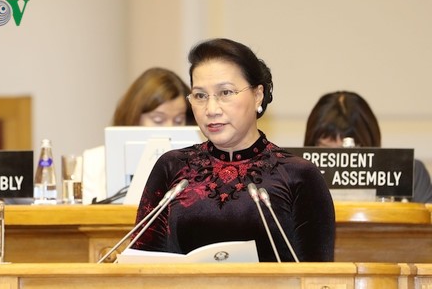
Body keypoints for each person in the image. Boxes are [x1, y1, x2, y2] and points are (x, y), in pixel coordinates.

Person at [130, 38, 335, 262]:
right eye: (200, 96)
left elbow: (317, 277)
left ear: (258, 94)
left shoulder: (298, 176)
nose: (211, 109)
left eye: (225, 93)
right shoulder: (172, 168)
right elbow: (143, 266)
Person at [81, 67, 195, 204]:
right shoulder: (95, 162)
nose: (169, 129)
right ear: (134, 117)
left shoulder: (201, 162)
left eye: (178, 121)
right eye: (158, 120)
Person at [304, 90, 432, 203]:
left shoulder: (410, 175)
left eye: (350, 150)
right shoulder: (291, 178)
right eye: (327, 150)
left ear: (370, 143)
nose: (339, 161)